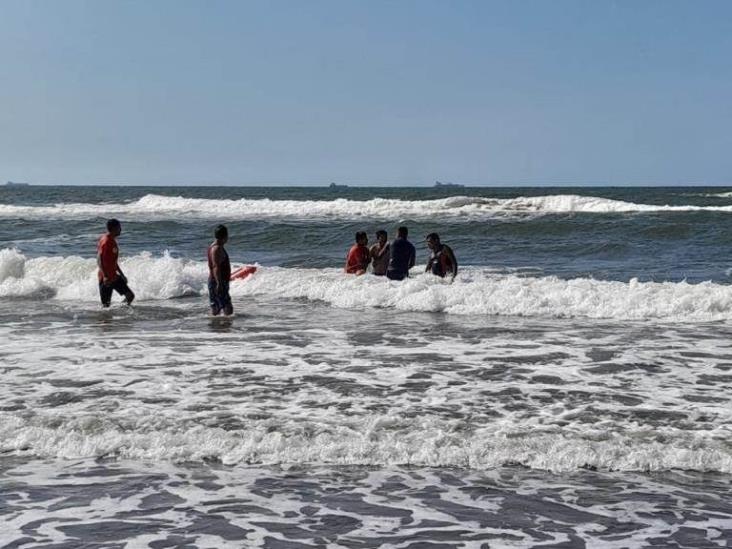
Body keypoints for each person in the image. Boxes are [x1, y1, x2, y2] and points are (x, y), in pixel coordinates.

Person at [97, 218, 135, 307]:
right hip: (106, 278)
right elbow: (99, 259)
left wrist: (121, 275)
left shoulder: (112, 240)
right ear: (114, 228)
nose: (121, 229)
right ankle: (106, 319)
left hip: (114, 276)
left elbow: (113, 261)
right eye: (119, 227)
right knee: (106, 305)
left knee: (130, 296)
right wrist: (105, 276)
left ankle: (120, 311)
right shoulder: (106, 241)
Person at [208, 224, 233, 316]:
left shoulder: (215, 247)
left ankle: (216, 327)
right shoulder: (216, 249)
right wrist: (219, 283)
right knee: (227, 308)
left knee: (217, 307)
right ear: (224, 236)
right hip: (218, 281)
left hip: (217, 281)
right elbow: (215, 266)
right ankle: (224, 327)